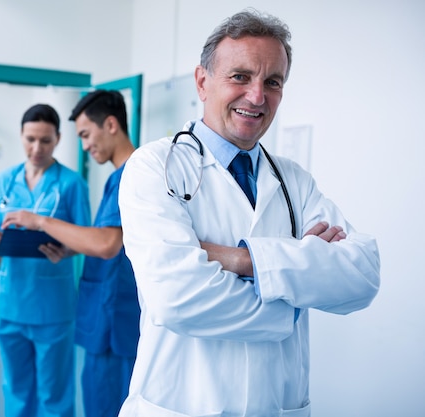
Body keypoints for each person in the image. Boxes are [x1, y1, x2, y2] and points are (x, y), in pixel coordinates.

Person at [117, 9, 381, 417]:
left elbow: (361, 275)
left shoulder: (296, 182)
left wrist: (244, 259)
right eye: (240, 76)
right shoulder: (155, 167)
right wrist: (293, 300)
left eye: (272, 82)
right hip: (181, 404)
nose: (257, 96)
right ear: (202, 82)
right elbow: (176, 299)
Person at [1, 90, 140, 417]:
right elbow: (99, 238)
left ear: (110, 124)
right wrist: (66, 248)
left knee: (104, 402)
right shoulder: (119, 177)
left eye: (86, 135)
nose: (85, 145)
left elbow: (107, 243)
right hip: (103, 313)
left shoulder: (130, 175)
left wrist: (39, 221)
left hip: (113, 318)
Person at [0, 104, 91, 417]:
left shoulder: (71, 184)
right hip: (10, 303)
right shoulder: (5, 180)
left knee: (54, 391)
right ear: (21, 136)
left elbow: (85, 239)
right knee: (15, 388)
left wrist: (68, 250)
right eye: (30, 139)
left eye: (45, 140)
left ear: (58, 138)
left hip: (52, 307)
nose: (36, 148)